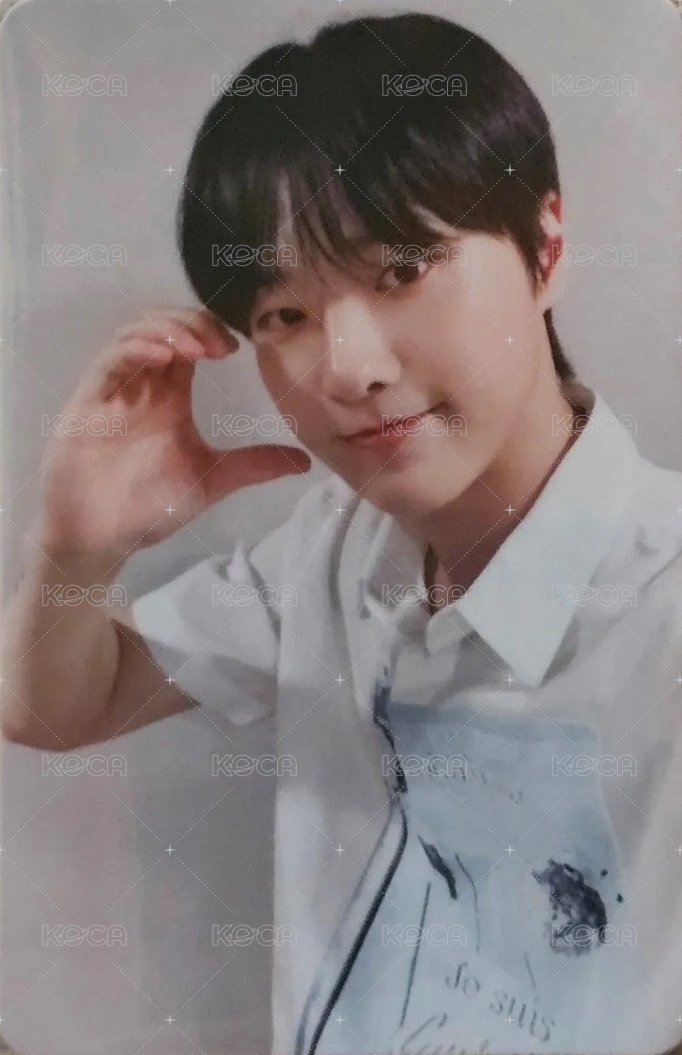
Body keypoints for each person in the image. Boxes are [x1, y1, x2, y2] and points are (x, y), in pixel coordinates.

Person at [3, 12, 682, 1055]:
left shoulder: (662, 602)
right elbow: (55, 707)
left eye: (402, 269)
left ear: (545, 247)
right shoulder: (336, 547)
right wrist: (76, 550)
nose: (349, 368)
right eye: (283, 315)